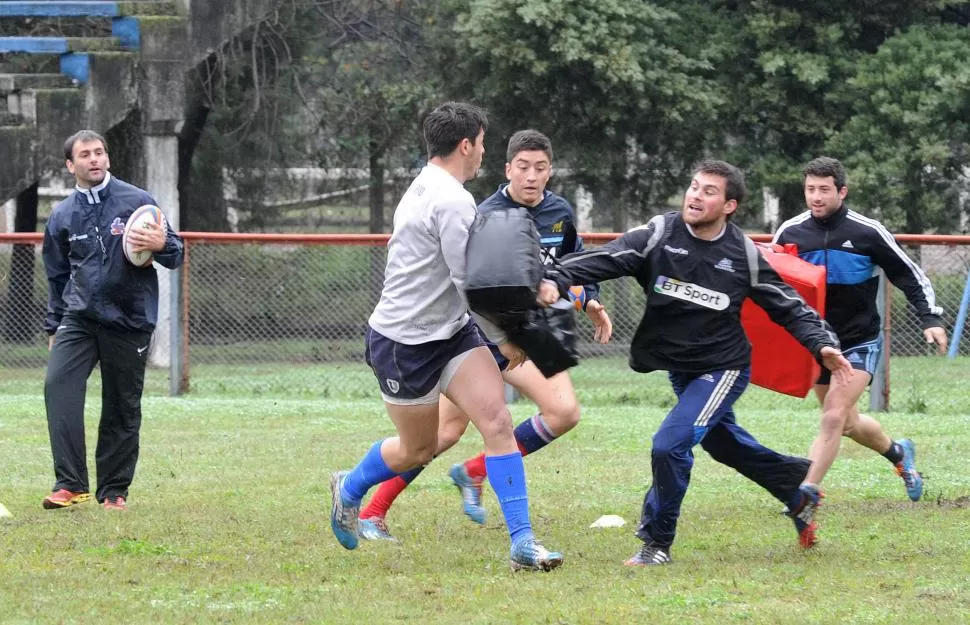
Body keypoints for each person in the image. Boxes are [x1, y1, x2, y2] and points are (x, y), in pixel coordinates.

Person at [540, 160, 853, 565]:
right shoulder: (659, 233)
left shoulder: (742, 253)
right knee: (725, 445)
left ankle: (657, 543)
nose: (695, 195)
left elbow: (790, 307)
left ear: (729, 206)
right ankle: (797, 491)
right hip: (681, 367)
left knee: (669, 446)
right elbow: (609, 258)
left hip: (723, 367)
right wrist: (556, 276)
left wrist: (822, 343)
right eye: (693, 186)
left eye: (708, 191)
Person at [329, 104, 563, 571]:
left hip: (452, 334)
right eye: (481, 144)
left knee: (496, 423)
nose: (482, 154)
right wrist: (511, 337)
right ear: (465, 146)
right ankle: (350, 487)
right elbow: (472, 283)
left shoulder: (430, 184)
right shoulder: (451, 200)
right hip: (403, 343)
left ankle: (523, 543)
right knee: (417, 447)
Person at [357, 129, 612, 541]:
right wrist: (501, 333)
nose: (531, 176)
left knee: (561, 413)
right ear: (507, 168)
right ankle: (373, 509)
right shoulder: (482, 212)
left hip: (527, 332)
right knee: (442, 433)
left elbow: (571, 265)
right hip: (483, 334)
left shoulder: (560, 212)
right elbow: (474, 284)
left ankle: (473, 474)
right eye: (523, 167)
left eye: (540, 168)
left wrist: (588, 300)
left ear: (550, 172)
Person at [772, 156, 949, 523]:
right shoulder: (790, 232)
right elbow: (770, 283)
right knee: (847, 423)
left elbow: (908, 274)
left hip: (858, 342)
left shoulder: (867, 231)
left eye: (824, 189)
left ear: (842, 191)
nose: (816, 197)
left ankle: (807, 494)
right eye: (810, 189)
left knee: (833, 416)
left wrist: (929, 317)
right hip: (817, 343)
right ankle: (899, 455)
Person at [41, 129, 184, 511]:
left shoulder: (137, 202)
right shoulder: (62, 216)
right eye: (85, 154)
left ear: (107, 158)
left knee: (121, 406)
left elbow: (176, 253)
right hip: (80, 318)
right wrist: (54, 325)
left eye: (99, 152)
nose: (94, 159)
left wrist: (162, 245)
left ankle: (113, 491)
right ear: (71, 165)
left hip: (129, 319)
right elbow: (56, 276)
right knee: (59, 388)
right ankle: (70, 484)